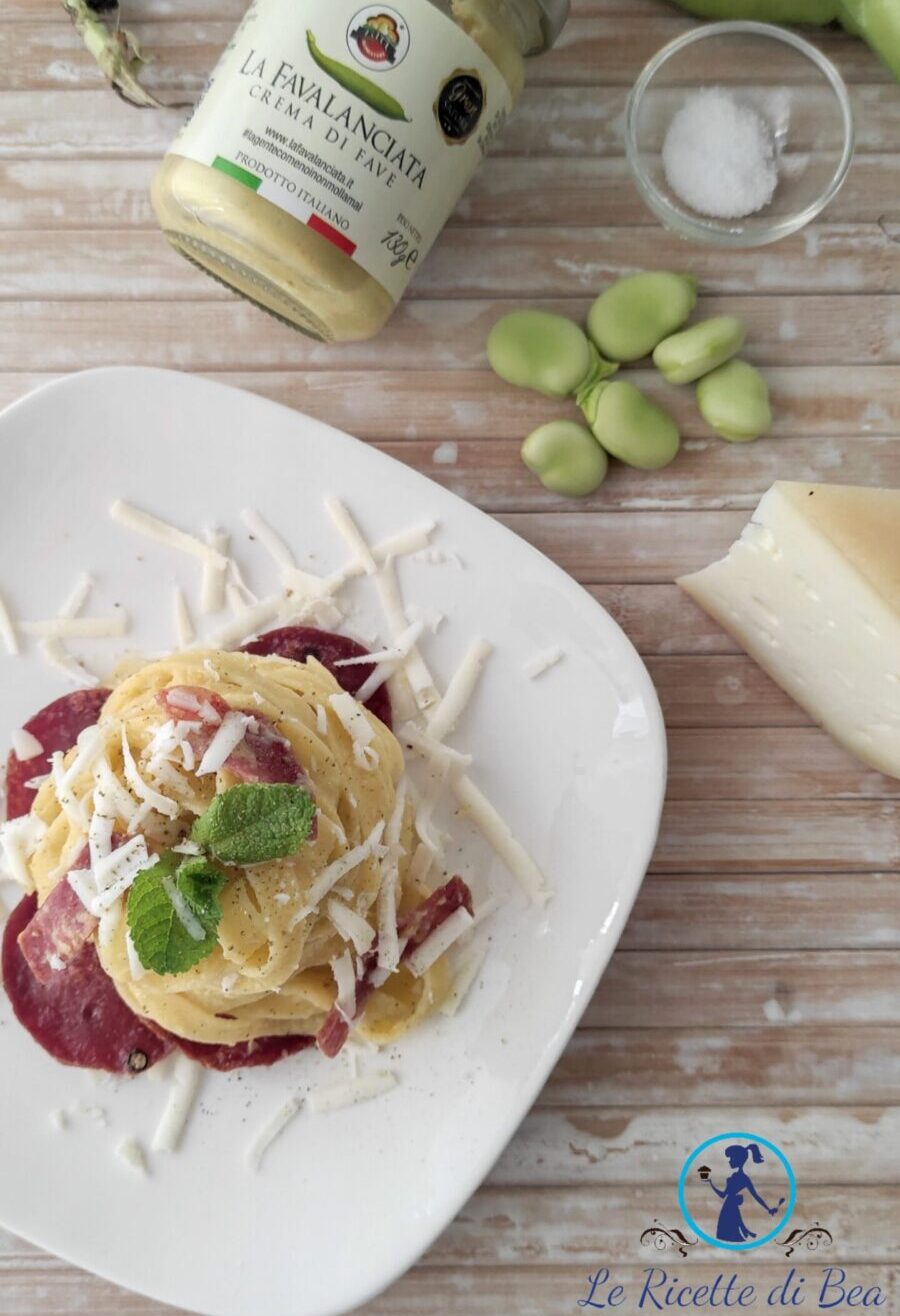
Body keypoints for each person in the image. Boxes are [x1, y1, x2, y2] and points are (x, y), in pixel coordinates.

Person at [706, 1143, 779, 1242]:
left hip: (730, 1207)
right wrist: (711, 1183)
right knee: (730, 1234)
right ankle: (746, 1234)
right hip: (728, 1207)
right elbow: (723, 1195)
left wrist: (768, 1208)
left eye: (731, 1158)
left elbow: (756, 1196)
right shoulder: (735, 1176)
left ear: (738, 1160)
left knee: (731, 1235)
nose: (729, 1161)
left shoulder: (743, 1178)